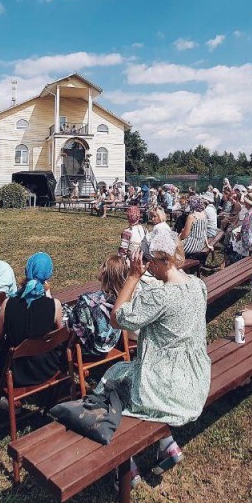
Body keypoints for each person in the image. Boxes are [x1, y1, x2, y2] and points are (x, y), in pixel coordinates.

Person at [101, 228, 209, 481]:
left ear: (162, 260)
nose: (148, 268)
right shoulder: (198, 285)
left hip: (165, 383)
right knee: (123, 377)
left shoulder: (159, 296)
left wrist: (132, 277)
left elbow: (117, 319)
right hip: (195, 378)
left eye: (150, 262)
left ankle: (126, 466)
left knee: (110, 382)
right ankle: (166, 444)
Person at [0, 252, 65, 387]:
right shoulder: (54, 305)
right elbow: (60, 335)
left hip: (15, 373)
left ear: (27, 271)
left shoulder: (8, 304)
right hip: (47, 368)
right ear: (48, 275)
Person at [65, 254, 129, 359]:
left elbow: (72, 325)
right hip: (112, 345)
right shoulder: (123, 300)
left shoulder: (87, 301)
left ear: (104, 272)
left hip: (89, 351)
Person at [180, 195, 209, 264]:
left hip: (191, 246)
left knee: (173, 245)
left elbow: (185, 235)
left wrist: (179, 237)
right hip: (200, 245)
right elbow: (204, 232)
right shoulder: (204, 215)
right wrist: (207, 244)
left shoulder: (192, 216)